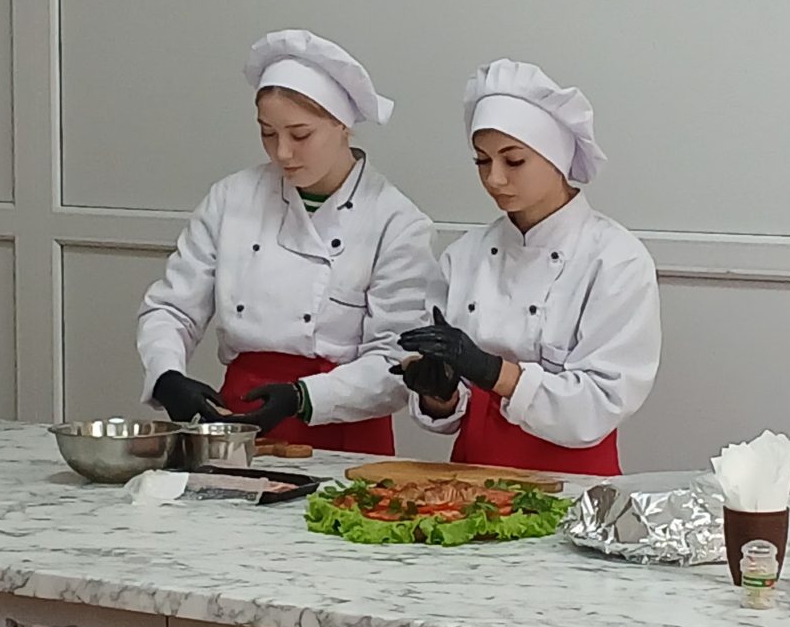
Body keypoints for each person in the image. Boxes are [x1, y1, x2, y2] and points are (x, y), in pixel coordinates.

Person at [137, 29, 438, 454]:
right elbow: (171, 308)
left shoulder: (395, 221)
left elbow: (396, 360)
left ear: (342, 125)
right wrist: (168, 376)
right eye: (267, 133)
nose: (282, 152)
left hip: (344, 429)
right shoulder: (232, 198)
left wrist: (303, 397)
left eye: (300, 135)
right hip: (239, 415)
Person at [393, 58, 661, 474]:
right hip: (470, 476)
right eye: (482, 161)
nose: (494, 179)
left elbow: (599, 404)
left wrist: (493, 371)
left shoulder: (616, 260)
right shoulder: (463, 256)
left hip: (571, 479)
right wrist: (439, 393)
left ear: (557, 158)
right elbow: (451, 411)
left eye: (513, 161)